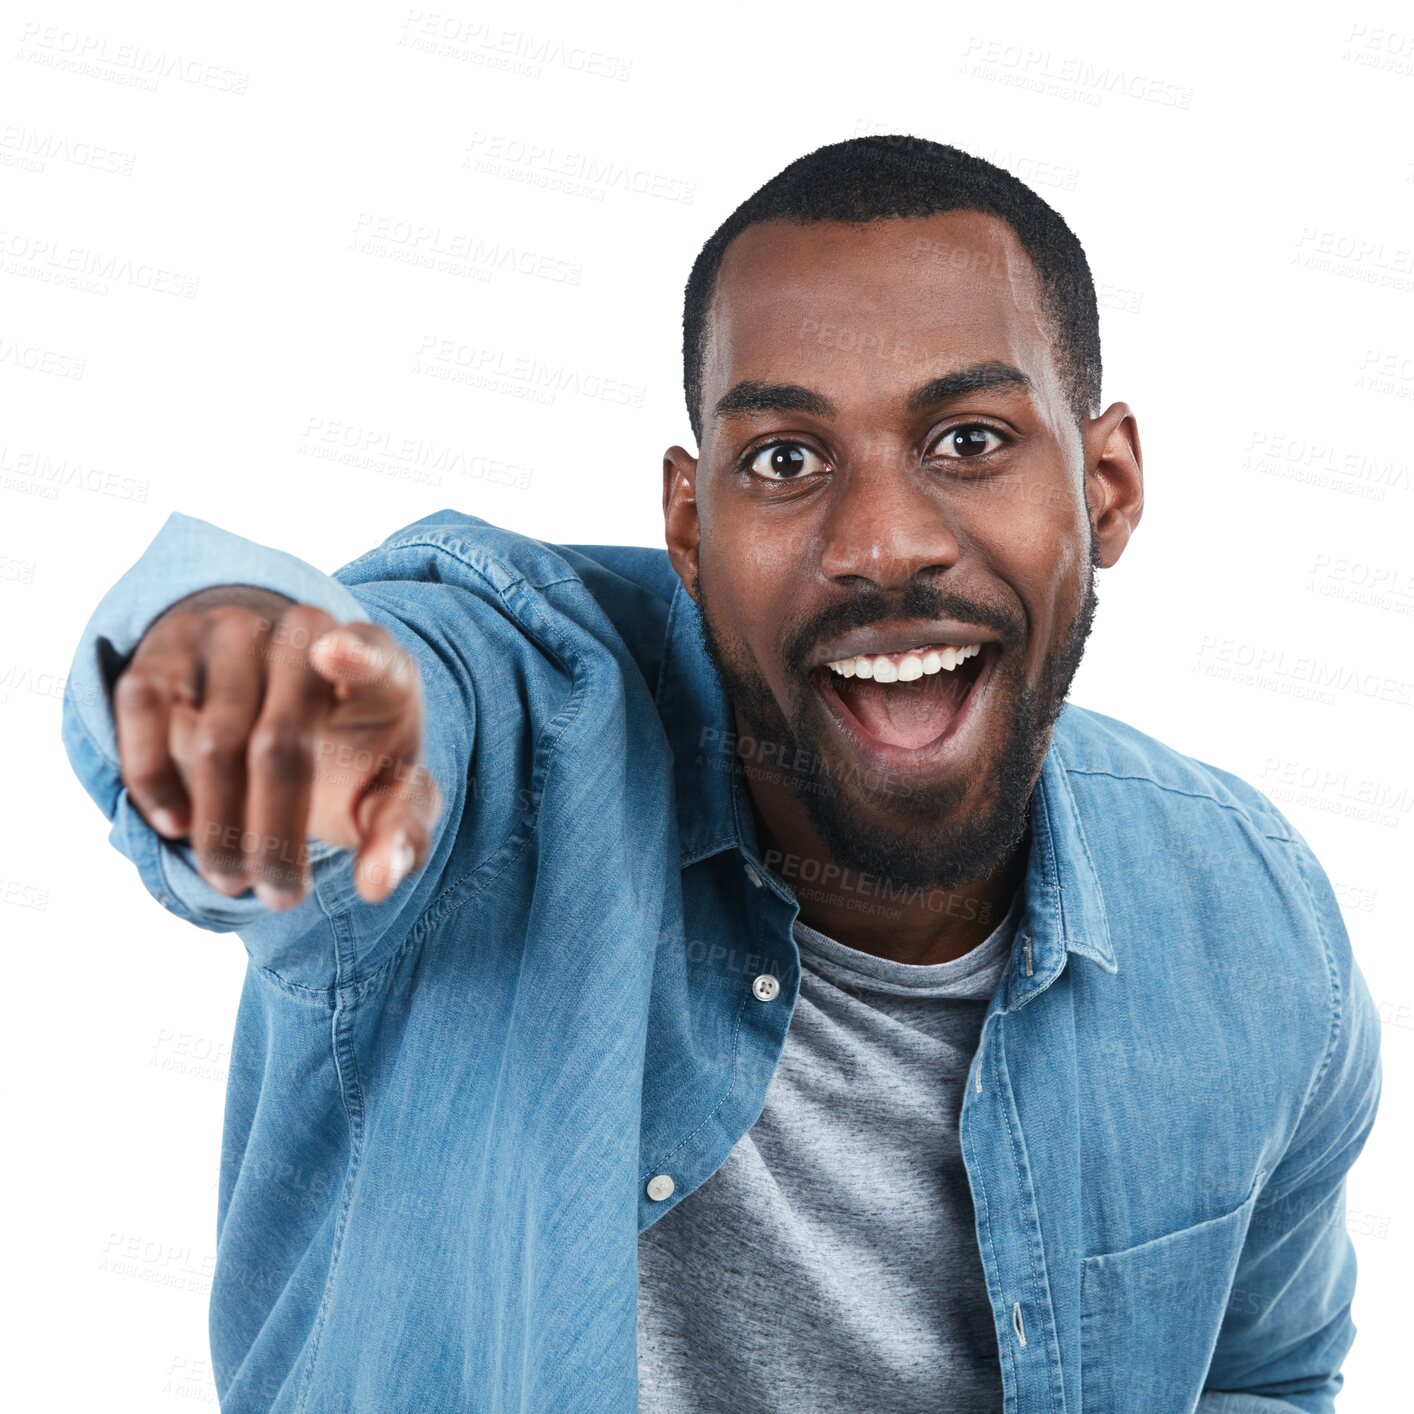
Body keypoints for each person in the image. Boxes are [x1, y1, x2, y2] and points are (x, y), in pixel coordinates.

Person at [61, 136, 1381, 1413]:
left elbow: (1257, 1372)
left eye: (969, 440)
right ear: (691, 524)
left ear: (1104, 485)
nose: (881, 543)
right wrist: (258, 681)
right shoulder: (521, 753)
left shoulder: (1252, 930)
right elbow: (417, 668)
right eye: (787, 460)